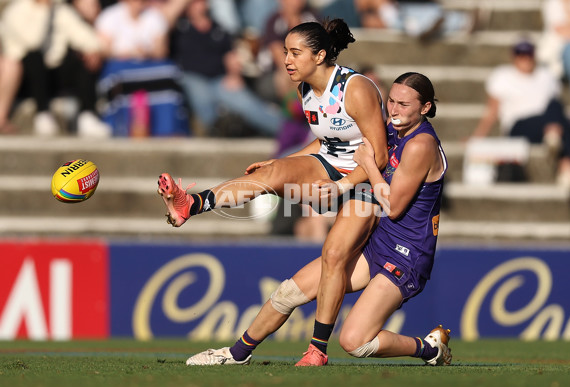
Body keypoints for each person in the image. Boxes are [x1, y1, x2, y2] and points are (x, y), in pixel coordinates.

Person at [157, 19, 389, 364]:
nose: (287, 60)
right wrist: (280, 162)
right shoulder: (305, 89)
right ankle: (191, 204)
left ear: (321, 54)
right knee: (274, 171)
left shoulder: (356, 88)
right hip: (331, 164)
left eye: (295, 53)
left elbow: (381, 155)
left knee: (334, 255)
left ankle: (316, 350)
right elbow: (326, 142)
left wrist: (342, 185)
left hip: (368, 179)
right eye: (285, 52)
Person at [184, 72, 451, 367]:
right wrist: (283, 163)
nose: (394, 110)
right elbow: (330, 145)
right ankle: (236, 354)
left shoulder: (419, 145)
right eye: (391, 101)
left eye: (404, 104)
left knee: (354, 342)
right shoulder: (391, 129)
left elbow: (394, 207)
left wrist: (366, 166)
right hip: (377, 241)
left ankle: (429, 349)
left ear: (425, 108)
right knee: (290, 291)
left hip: (406, 255)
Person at [169, 0, 285, 137]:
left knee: (246, 103)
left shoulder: (218, 29)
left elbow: (231, 55)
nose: (198, 5)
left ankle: (286, 129)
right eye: (193, 3)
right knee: (201, 97)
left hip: (220, 79)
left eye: (200, 1)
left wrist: (234, 75)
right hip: (192, 78)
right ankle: (215, 133)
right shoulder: (180, 28)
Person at [471, 39, 570, 183]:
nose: (525, 58)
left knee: (556, 107)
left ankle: (553, 139)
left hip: (547, 122)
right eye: (521, 54)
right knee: (558, 119)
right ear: (513, 56)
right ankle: (566, 164)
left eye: (528, 53)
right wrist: (478, 137)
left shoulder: (546, 76)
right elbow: (492, 110)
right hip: (518, 125)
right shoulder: (502, 76)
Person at [0, 0, 110, 138]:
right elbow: (33, 42)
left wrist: (93, 51)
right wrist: (45, 12)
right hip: (26, 76)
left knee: (84, 58)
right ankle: (42, 114)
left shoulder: (60, 10)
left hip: (53, 72)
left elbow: (84, 36)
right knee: (34, 58)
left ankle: (87, 115)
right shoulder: (17, 10)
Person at [95, 0, 190, 137]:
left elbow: (161, 50)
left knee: (169, 73)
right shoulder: (109, 16)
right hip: (121, 66)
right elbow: (104, 50)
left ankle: (168, 128)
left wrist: (147, 52)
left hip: (149, 63)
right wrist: (128, 53)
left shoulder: (154, 16)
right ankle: (122, 126)